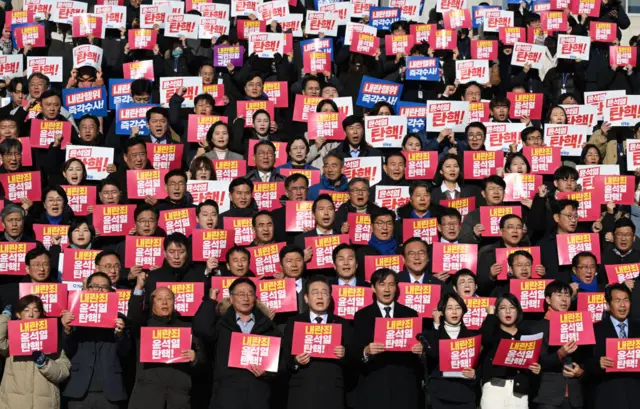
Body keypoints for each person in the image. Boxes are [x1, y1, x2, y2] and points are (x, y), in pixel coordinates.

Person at [192, 278, 280, 409]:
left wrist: (267, 372)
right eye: (240, 294)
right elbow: (201, 328)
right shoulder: (221, 325)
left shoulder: (268, 326)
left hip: (258, 395)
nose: (245, 298)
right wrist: (210, 301)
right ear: (231, 299)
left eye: (250, 294)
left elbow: (282, 360)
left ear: (255, 299)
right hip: (226, 395)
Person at [127, 274, 202, 409]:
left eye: (169, 299)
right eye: (160, 299)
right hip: (148, 393)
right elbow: (134, 315)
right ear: (152, 303)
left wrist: (195, 357)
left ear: (174, 303)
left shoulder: (186, 328)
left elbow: (202, 357)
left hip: (178, 394)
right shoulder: (143, 326)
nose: (165, 302)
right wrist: (139, 287)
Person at [353, 268, 423, 409]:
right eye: (381, 284)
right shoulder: (362, 315)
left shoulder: (410, 313)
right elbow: (354, 349)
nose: (387, 289)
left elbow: (419, 352)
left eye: (391, 284)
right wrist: (366, 351)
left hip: (404, 384)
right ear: (373, 288)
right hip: (375, 383)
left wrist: (420, 350)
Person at [280, 275, 352, 409]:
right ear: (306, 298)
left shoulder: (342, 323)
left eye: (324, 293)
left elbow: (353, 358)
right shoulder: (294, 323)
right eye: (315, 292)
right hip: (302, 389)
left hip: (332, 391)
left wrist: (344, 354)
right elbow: (284, 358)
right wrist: (296, 362)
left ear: (330, 298)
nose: (320, 296)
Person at [61, 273, 131, 409]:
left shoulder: (119, 319)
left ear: (111, 291)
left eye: (104, 287)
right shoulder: (73, 316)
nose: (99, 291)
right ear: (86, 289)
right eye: (94, 286)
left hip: (110, 391)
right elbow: (66, 350)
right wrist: (66, 330)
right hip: (78, 390)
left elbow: (125, 352)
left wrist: (120, 334)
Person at [0, 295, 70, 409]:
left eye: (36, 310)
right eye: (26, 310)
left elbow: (63, 372)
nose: (31, 314)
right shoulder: (12, 341)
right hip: (13, 404)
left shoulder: (51, 339)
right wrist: (5, 317)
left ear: (41, 314)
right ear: (18, 314)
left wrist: (45, 364)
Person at [529, 280, 588, 409]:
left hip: (575, 396)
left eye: (567, 295)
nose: (564, 299)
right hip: (549, 397)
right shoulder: (538, 327)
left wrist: (580, 371)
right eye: (559, 295)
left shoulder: (579, 324)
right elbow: (537, 361)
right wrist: (560, 353)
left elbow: (586, 357)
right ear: (548, 300)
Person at [479, 294, 541, 409]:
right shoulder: (492, 334)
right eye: (502, 308)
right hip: (495, 388)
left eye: (512, 307)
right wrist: (490, 315)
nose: (508, 311)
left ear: (518, 311)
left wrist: (535, 369)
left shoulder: (526, 335)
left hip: (519, 390)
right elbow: (484, 339)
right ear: (497, 313)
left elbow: (533, 362)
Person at [587, 283, 640, 409]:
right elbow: (585, 362)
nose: (622, 305)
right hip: (608, 395)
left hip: (636, 394)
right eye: (617, 300)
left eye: (626, 300)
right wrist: (598, 363)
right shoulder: (595, 330)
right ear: (608, 305)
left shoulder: (638, 328)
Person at [423, 292, 478, 409]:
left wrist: (473, 375)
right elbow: (432, 354)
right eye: (449, 308)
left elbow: (478, 366)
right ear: (442, 311)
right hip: (440, 395)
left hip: (465, 395)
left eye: (458, 308)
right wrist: (436, 325)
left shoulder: (472, 336)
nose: (454, 312)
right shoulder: (431, 333)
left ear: (463, 311)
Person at [356, 209, 399, 277]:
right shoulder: (362, 253)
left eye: (389, 223)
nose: (385, 227)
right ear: (372, 226)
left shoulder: (401, 252)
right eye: (380, 223)